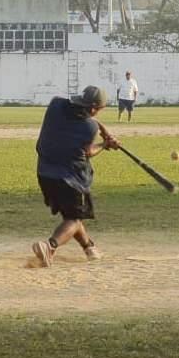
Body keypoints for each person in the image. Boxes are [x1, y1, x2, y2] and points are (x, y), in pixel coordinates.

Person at [32, 85, 121, 268]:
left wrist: (102, 130)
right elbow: (88, 152)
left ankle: (90, 248)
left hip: (45, 173)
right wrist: (105, 144)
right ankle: (49, 247)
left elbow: (91, 120)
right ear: (94, 108)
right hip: (71, 179)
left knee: (72, 216)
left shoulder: (55, 105)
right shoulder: (88, 127)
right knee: (73, 220)